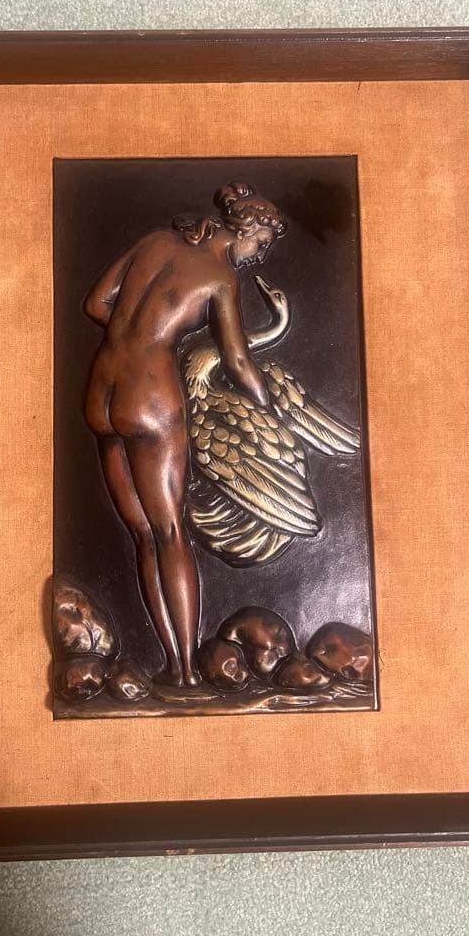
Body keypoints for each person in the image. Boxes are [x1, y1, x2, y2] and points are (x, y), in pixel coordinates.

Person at [83, 181, 288, 687]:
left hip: (102, 392)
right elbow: (237, 360)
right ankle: (186, 673)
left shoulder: (154, 241)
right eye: (261, 243)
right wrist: (271, 410)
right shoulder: (220, 277)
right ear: (245, 228)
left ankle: (172, 664)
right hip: (149, 397)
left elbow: (96, 304)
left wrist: (135, 336)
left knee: (144, 535)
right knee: (170, 532)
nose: (259, 256)